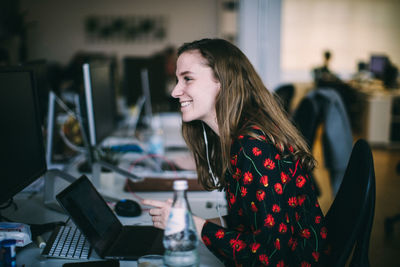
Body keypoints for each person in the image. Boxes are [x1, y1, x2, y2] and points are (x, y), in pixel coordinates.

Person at [143, 38, 328, 266]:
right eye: (177, 80)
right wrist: (197, 222)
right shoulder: (239, 136)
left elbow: (268, 255)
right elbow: (253, 219)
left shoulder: (254, 148)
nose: (174, 91)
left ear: (221, 81)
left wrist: (191, 225)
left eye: (187, 79)